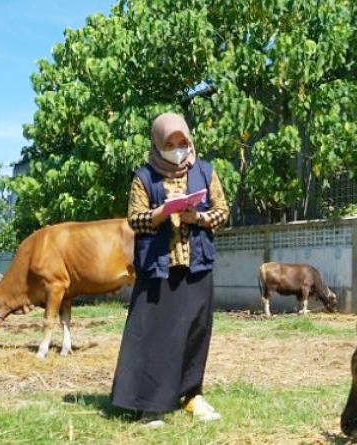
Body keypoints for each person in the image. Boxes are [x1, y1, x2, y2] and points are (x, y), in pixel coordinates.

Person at [111, 112, 230, 426]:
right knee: (154, 335)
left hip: (197, 267)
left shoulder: (204, 171)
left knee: (196, 331)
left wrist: (198, 217)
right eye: (169, 144)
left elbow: (222, 211)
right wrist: (161, 212)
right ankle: (150, 405)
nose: (178, 149)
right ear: (156, 144)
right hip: (158, 269)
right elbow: (134, 219)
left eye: (182, 142)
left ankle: (191, 395)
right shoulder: (144, 176)